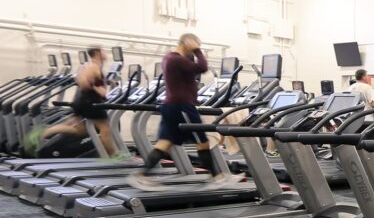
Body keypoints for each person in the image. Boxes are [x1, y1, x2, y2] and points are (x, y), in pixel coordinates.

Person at [129, 33, 241, 190]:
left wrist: (192, 51)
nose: (197, 49)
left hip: (172, 106)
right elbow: (202, 67)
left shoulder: (170, 58)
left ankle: (142, 175)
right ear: (186, 43)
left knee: (165, 143)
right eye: (196, 45)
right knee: (202, 142)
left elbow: (193, 71)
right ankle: (216, 177)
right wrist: (197, 50)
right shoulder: (176, 59)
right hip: (183, 107)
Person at [25, 46, 118, 157]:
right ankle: (113, 156)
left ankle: (40, 134)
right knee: (105, 129)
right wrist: (98, 90)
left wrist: (107, 82)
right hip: (91, 102)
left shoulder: (88, 66)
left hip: (81, 101)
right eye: (103, 51)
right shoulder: (94, 66)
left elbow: (78, 79)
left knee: (79, 130)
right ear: (97, 53)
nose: (105, 53)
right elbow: (84, 82)